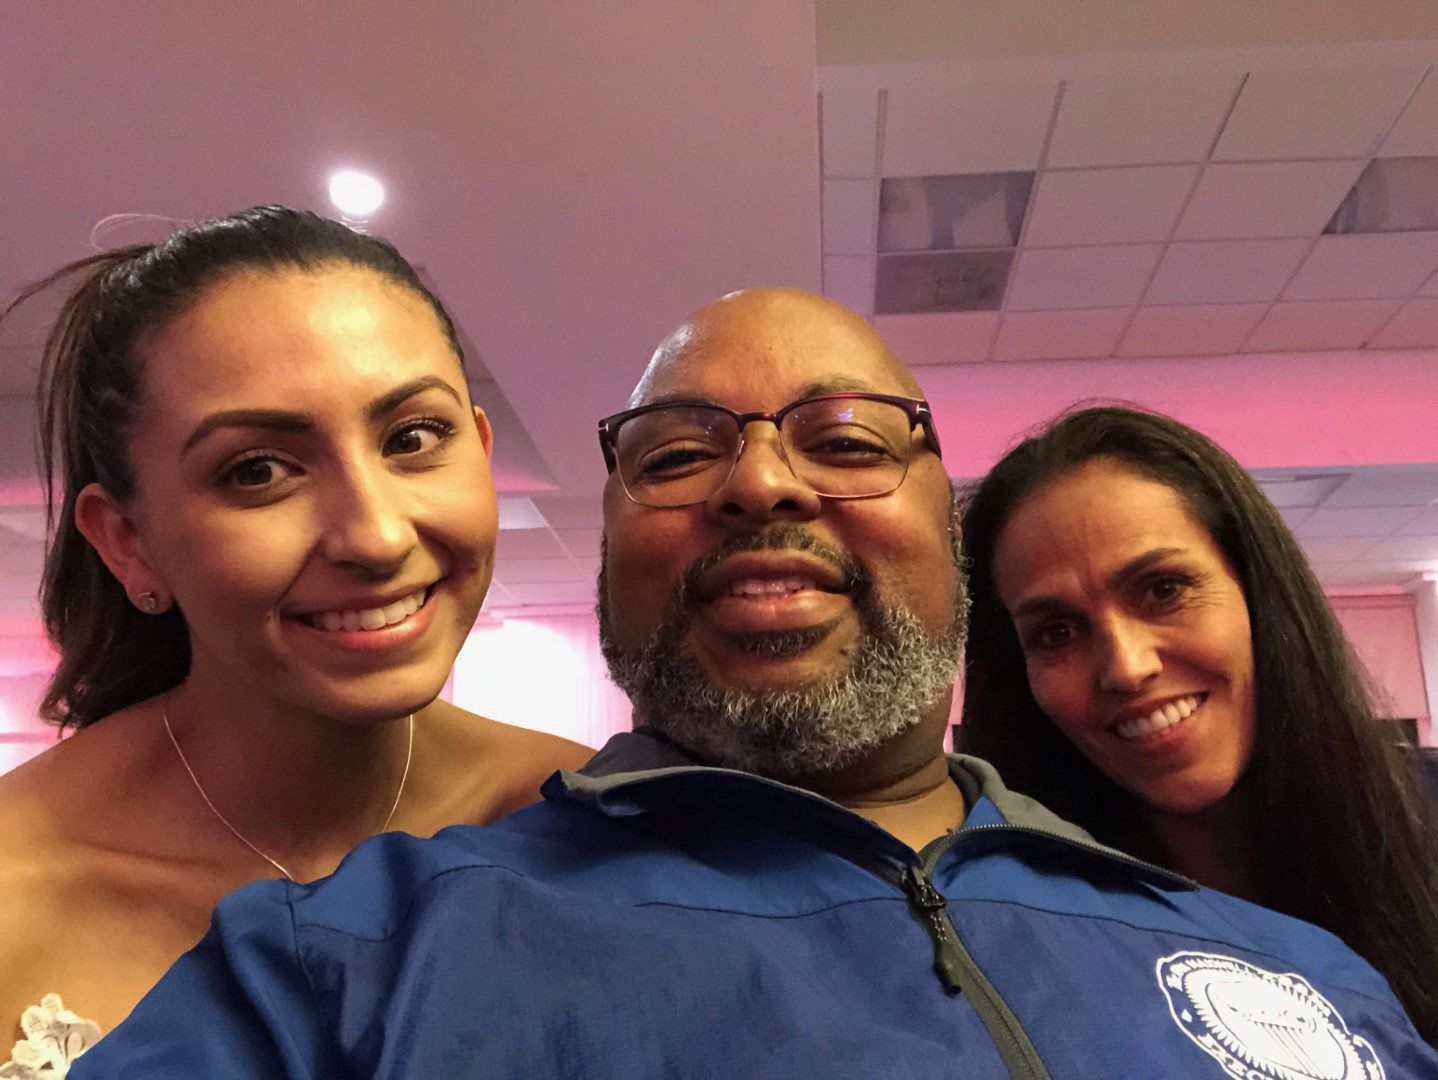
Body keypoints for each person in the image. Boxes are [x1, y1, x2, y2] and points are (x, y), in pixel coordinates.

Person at [73, 290, 1438, 1078]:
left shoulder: (1297, 969)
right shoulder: (349, 963)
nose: (763, 480)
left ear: (946, 542)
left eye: (848, 440)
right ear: (606, 552)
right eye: (674, 454)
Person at [0, 207, 590, 1073]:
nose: (377, 536)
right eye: (258, 471)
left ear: (482, 446)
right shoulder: (19, 882)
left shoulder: (592, 829)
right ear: (127, 539)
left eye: (413, 438)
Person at [957, 404, 1438, 1045]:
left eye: (1162, 590)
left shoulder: (1421, 815)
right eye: (1057, 632)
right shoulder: (1016, 923)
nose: (1126, 669)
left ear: (1258, 593)